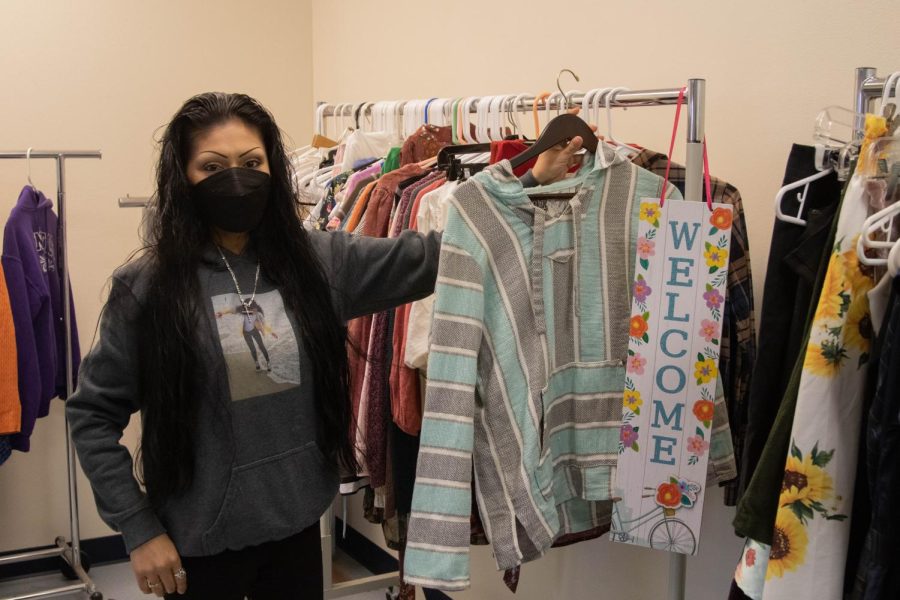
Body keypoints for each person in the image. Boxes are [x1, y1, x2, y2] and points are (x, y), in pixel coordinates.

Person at [67, 92, 587, 599]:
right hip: (197, 544)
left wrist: (526, 183)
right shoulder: (148, 288)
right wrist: (138, 529)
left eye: (251, 161)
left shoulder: (316, 263)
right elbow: (92, 415)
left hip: (295, 529)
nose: (236, 178)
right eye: (212, 166)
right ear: (182, 177)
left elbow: (436, 256)